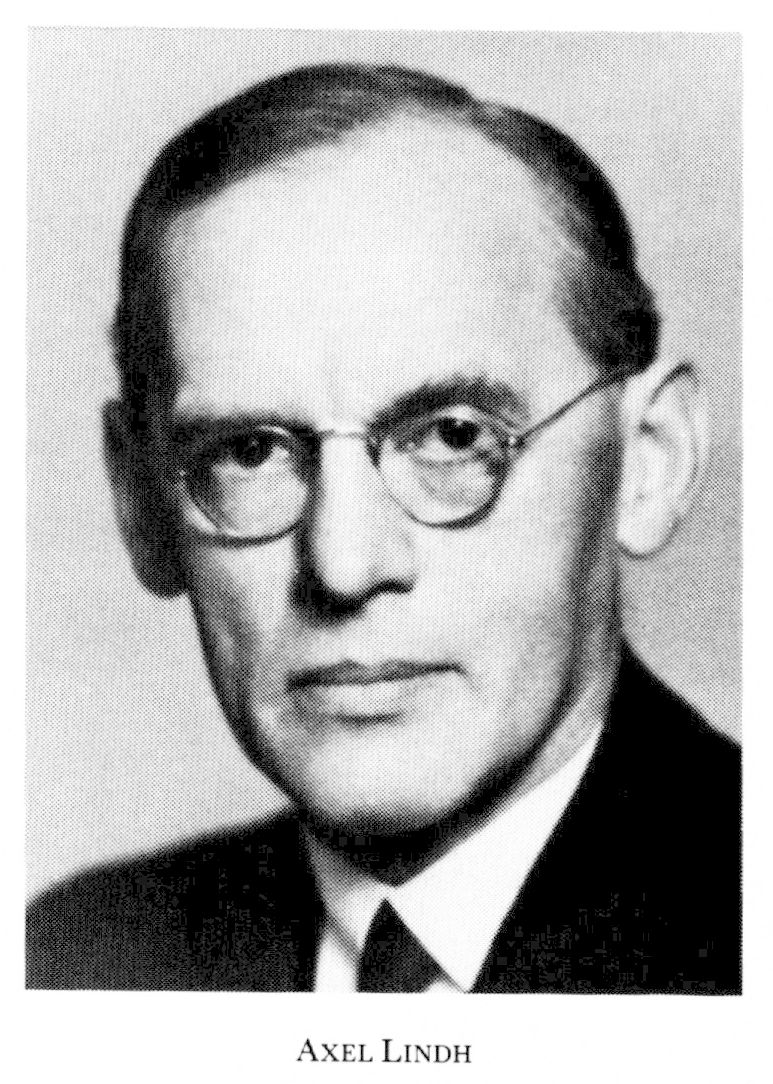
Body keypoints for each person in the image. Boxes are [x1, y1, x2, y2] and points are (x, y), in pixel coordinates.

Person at [27, 62, 740, 993]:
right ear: (139, 503)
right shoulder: (73, 960)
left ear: (648, 463)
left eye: (452, 436)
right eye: (248, 452)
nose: (344, 564)